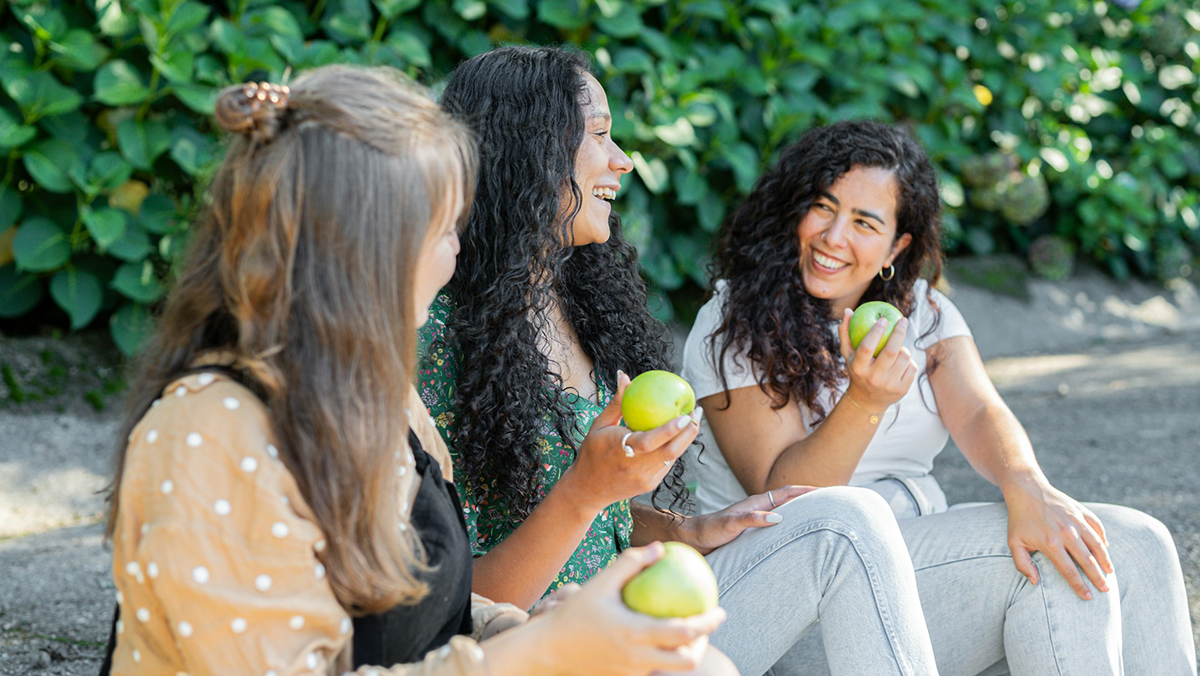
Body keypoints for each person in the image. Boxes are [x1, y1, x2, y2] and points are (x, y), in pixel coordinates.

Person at [99, 64, 731, 676]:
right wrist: (542, 650)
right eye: (441, 227)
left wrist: (530, 629)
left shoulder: (383, 398)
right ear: (360, 245)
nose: (458, 251)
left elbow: (433, 606)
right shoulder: (207, 433)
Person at [419, 46, 942, 676]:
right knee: (847, 521)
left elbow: (595, 524)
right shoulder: (438, 339)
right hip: (543, 644)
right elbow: (454, 613)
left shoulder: (576, 298)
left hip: (636, 602)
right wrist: (586, 491)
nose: (623, 160)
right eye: (602, 135)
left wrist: (686, 530)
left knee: (846, 517)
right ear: (531, 151)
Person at [683, 119, 1197, 675]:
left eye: (864, 221)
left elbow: (979, 410)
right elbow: (786, 493)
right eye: (823, 207)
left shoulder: (921, 312)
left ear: (896, 246)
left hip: (909, 560)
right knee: (1052, 561)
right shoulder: (734, 322)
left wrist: (1027, 485)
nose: (834, 237)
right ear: (795, 211)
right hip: (792, 595)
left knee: (1139, 542)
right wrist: (863, 402)